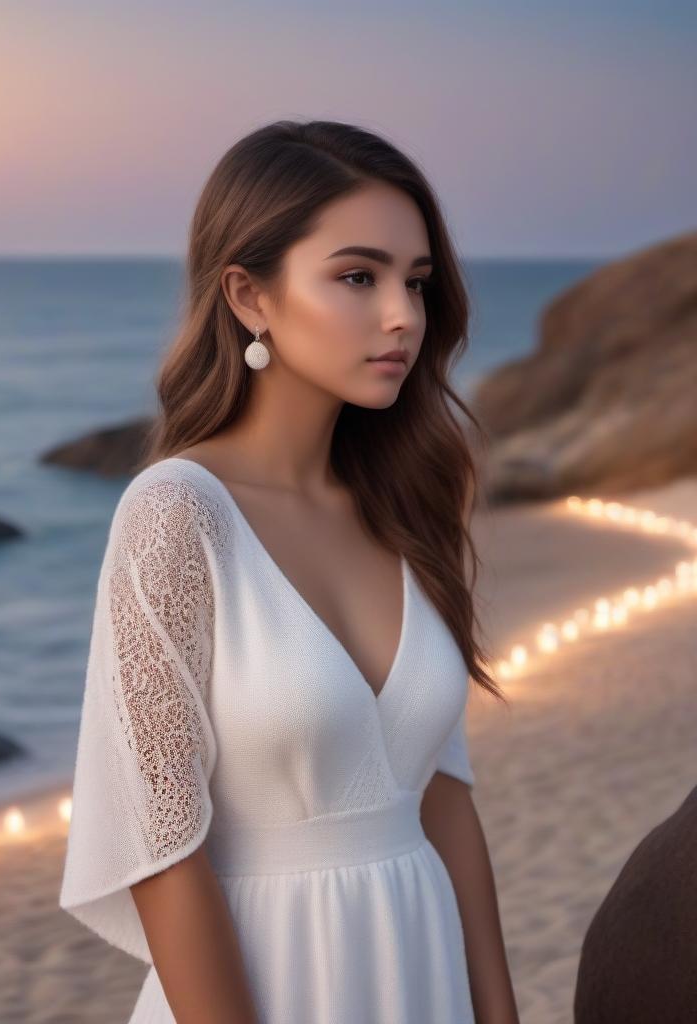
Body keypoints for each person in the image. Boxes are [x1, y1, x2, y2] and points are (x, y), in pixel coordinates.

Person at [59, 119, 520, 1024]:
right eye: (359, 276)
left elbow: (446, 804)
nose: (403, 316)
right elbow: (162, 848)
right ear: (250, 296)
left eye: (416, 283)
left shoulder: (410, 505)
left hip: (421, 977)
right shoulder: (176, 515)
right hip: (261, 986)